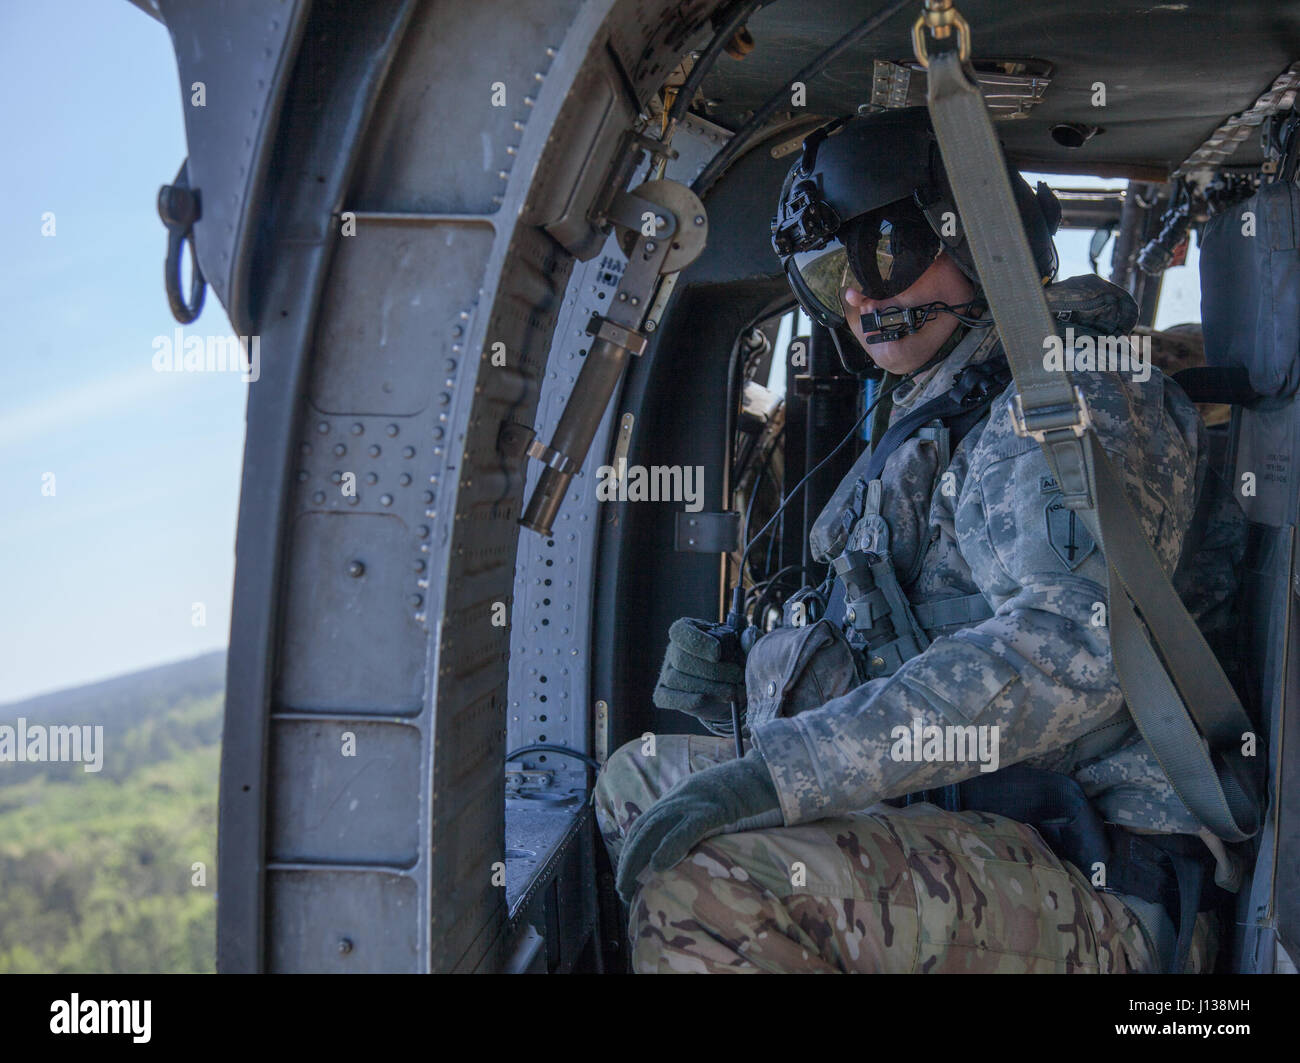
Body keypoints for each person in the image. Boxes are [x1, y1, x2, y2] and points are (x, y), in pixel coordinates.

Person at [593, 107, 1245, 974]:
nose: (859, 297)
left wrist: (790, 769)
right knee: (637, 785)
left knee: (704, 892)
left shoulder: (1068, 401)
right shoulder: (950, 408)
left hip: (1099, 865)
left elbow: (1068, 651)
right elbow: (906, 654)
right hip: (976, 816)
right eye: (832, 273)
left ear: (978, 240)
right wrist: (749, 693)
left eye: (882, 254)